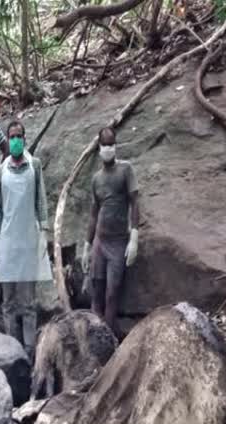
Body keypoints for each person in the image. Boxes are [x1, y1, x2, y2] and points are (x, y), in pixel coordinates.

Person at [0, 120, 52, 358]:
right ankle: (11, 350)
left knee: (27, 301)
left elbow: (41, 201)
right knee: (8, 302)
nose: (15, 140)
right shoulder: (1, 170)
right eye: (12, 136)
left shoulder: (34, 165)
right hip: (7, 242)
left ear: (25, 139)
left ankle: (28, 351)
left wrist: (44, 233)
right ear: (7, 140)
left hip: (28, 241)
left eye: (19, 136)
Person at [83, 127, 140, 335]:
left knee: (111, 293)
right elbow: (93, 214)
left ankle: (107, 337)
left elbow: (135, 203)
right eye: (104, 145)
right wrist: (87, 245)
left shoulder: (126, 170)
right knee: (96, 292)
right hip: (100, 241)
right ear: (99, 148)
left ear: (115, 146)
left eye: (111, 144)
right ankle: (93, 336)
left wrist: (134, 237)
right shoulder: (96, 178)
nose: (107, 148)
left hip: (118, 242)